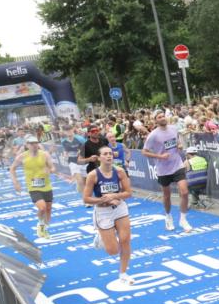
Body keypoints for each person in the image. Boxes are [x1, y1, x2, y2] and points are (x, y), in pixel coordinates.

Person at [83, 146, 135, 285]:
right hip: (102, 211)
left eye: (110, 154)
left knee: (125, 240)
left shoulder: (119, 172)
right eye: (105, 154)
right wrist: (103, 199)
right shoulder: (93, 175)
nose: (109, 156)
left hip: (119, 208)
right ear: (99, 158)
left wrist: (115, 195)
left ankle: (123, 273)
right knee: (113, 251)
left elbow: (129, 193)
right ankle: (101, 236)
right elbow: (86, 199)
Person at [141, 110, 192, 232]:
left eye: (163, 116)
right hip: (163, 168)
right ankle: (168, 216)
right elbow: (144, 151)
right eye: (159, 117)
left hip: (177, 164)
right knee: (167, 195)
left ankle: (183, 219)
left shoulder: (174, 129)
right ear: (156, 121)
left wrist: (179, 146)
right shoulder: (153, 135)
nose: (162, 118)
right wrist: (159, 156)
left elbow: (177, 142)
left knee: (184, 192)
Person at [9, 136, 60, 239]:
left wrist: (50, 170)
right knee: (42, 207)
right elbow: (12, 168)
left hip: (46, 185)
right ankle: (40, 224)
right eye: (31, 143)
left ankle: (45, 228)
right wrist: (15, 182)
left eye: (36, 143)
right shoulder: (22, 157)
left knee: (48, 209)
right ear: (27, 145)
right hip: (33, 187)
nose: (34, 145)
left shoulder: (45, 154)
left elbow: (53, 167)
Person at [60, 126, 86, 194]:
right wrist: (65, 154)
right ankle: (85, 200)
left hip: (82, 161)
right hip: (72, 162)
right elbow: (65, 150)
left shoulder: (80, 139)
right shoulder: (63, 141)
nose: (69, 132)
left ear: (73, 130)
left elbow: (86, 147)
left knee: (83, 182)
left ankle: (79, 187)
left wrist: (81, 151)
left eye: (70, 130)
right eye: (67, 131)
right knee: (80, 181)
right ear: (64, 132)